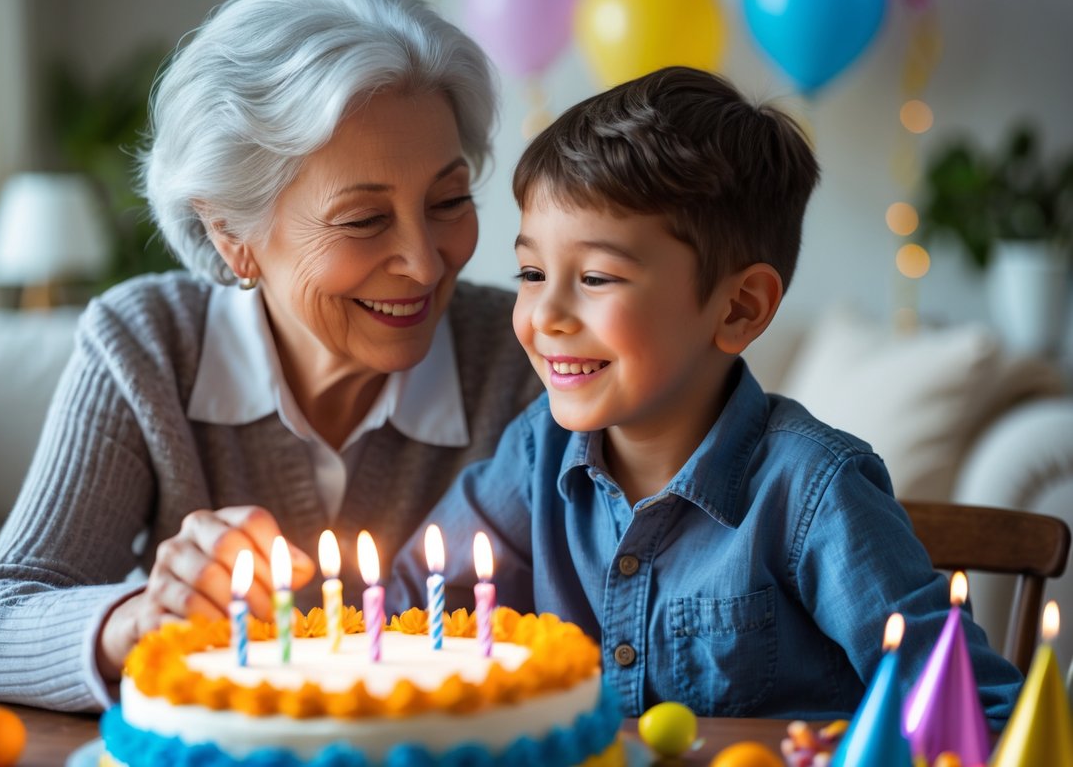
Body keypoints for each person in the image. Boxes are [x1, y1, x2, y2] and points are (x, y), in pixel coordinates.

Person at [0, 0, 542, 712]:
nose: (425, 262)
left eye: (448, 201)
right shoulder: (150, 346)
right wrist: (139, 619)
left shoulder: (525, 356)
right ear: (234, 236)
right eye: (363, 220)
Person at [387, 66, 1022, 723]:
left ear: (739, 309)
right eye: (530, 271)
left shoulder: (812, 492)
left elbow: (976, 715)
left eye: (597, 277)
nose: (545, 313)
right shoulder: (535, 456)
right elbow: (405, 614)